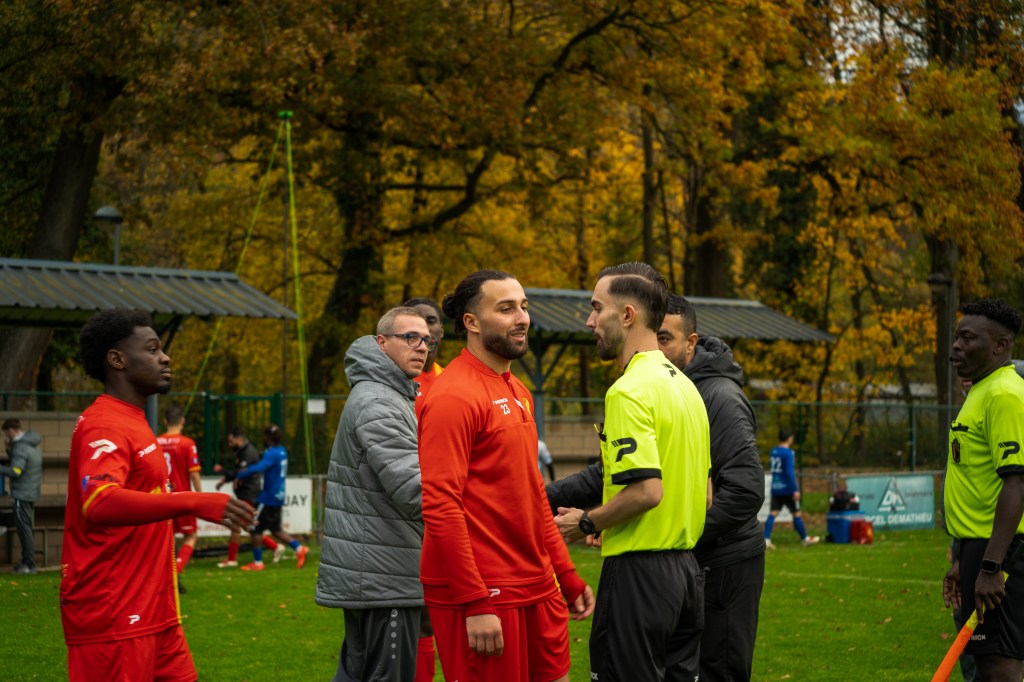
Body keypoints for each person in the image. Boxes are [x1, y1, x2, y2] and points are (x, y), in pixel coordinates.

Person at [547, 292, 765, 681]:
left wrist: (598, 523)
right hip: (683, 566)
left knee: (717, 671)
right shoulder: (679, 389)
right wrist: (539, 497)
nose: (590, 321)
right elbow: (611, 474)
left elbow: (740, 491)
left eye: (665, 338)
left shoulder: (700, 395)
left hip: (709, 565)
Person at [418, 270, 594, 682]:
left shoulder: (519, 390)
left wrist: (565, 574)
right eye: (506, 308)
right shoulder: (452, 396)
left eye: (524, 307)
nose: (522, 318)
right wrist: (475, 601)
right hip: (484, 591)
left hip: (536, 583)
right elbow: (441, 505)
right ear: (471, 322)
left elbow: (533, 495)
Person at [61, 308, 254, 682]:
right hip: (114, 613)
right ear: (117, 360)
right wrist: (194, 501)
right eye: (152, 350)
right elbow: (100, 502)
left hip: (156, 612)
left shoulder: (134, 419)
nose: (165, 358)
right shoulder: (104, 423)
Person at [552, 262, 711, 682]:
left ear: (627, 315)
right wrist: (617, 522)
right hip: (687, 576)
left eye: (596, 308)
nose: (589, 322)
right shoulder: (687, 387)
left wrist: (586, 521)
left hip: (640, 578)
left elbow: (646, 492)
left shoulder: (628, 390)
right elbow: (705, 494)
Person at [316, 306, 432, 682]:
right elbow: (414, 490)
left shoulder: (387, 394)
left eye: (426, 340)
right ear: (381, 343)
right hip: (385, 573)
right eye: (410, 337)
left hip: (377, 568)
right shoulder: (379, 401)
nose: (421, 346)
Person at [942, 298, 1024, 682]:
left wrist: (991, 566)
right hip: (978, 548)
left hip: (1001, 554)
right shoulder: (980, 390)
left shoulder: (1004, 394)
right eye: (957, 336)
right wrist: (964, 558)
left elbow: (1017, 481)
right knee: (987, 664)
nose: (956, 346)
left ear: (999, 346)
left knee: (999, 665)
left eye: (967, 338)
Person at [234, 424, 309, 571]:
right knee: (276, 529)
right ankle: (299, 549)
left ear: (267, 437)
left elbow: (260, 467)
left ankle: (258, 563)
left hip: (268, 497)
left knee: (254, 528)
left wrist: (241, 474)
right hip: (279, 495)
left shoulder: (271, 453)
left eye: (264, 435)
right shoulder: (282, 451)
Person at [157, 405, 202, 581]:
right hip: (183, 498)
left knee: (169, 537)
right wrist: (200, 496)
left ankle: (168, 573)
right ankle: (176, 572)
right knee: (191, 536)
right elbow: (194, 474)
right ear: (182, 421)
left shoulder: (156, 442)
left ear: (165, 421)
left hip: (162, 498)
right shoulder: (187, 443)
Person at [214, 428, 264, 567]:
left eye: (231, 441)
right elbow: (238, 473)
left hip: (249, 493)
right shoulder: (242, 451)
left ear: (239, 438)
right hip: (245, 493)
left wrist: (222, 471)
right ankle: (276, 546)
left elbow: (240, 474)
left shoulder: (248, 453)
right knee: (248, 526)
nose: (230, 444)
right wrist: (225, 480)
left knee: (236, 524)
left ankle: (232, 559)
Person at [763, 429, 819, 548]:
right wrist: (795, 489)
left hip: (776, 487)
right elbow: (789, 472)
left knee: (773, 513)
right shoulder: (788, 453)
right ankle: (805, 539)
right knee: (796, 513)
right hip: (787, 488)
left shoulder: (774, 451)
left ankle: (766, 539)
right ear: (789, 438)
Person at [1, 418, 43, 574]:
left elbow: (16, 471)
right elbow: (21, 463)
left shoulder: (20, 447)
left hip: (22, 493)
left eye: (6, 434)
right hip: (31, 492)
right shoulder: (31, 444)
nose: (7, 437)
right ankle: (27, 562)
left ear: (11, 430)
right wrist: (9, 451)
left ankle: (29, 564)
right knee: (26, 528)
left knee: (24, 530)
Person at [403, 297, 445, 399]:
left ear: (441, 331)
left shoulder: (449, 379)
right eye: (416, 322)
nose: (425, 328)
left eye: (431, 321)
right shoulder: (393, 377)